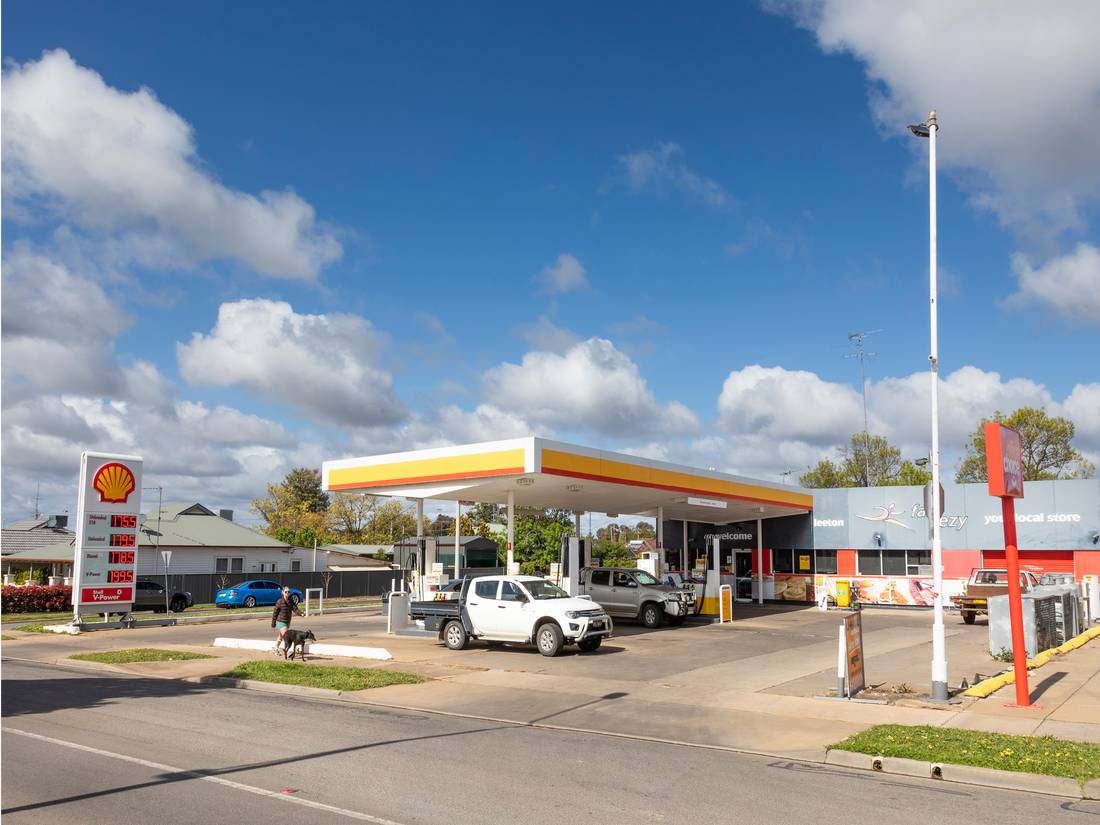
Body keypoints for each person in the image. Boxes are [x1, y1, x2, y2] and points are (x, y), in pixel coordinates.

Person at [271, 587, 303, 656]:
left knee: (281, 636)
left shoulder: (291, 601)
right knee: (287, 636)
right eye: (285, 592)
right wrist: (273, 623)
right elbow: (275, 613)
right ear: (282, 592)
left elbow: (295, 609)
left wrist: (301, 613)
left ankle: (275, 648)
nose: (287, 593)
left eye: (288, 592)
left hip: (287, 622)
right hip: (281, 622)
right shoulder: (279, 601)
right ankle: (288, 652)